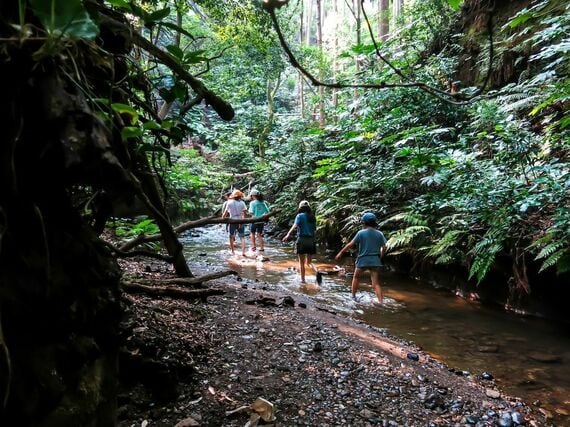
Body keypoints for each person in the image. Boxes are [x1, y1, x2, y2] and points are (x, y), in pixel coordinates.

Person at [335, 212, 387, 304]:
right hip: (375, 261)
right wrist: (381, 256)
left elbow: (350, 244)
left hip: (363, 260)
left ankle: (353, 296)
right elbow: (384, 247)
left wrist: (341, 252)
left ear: (364, 223)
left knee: (356, 277)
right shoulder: (380, 234)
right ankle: (380, 302)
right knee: (375, 283)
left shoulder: (361, 233)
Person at [282, 200, 317, 284]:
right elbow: (314, 229)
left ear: (300, 207)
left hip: (302, 240)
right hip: (311, 240)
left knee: (301, 263)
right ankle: (317, 272)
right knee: (309, 263)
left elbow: (295, 225)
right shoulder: (312, 217)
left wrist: (288, 234)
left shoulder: (299, 216)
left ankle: (303, 280)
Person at [222, 190, 247, 256]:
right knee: (242, 237)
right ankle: (243, 252)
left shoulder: (229, 202)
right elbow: (244, 213)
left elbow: (225, 213)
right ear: (240, 196)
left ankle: (233, 251)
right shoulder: (242, 203)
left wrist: (222, 219)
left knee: (231, 236)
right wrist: (243, 220)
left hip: (232, 220)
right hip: (240, 220)